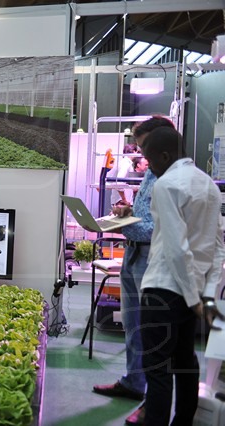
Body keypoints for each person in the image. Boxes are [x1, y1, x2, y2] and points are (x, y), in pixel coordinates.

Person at [136, 126, 225, 426]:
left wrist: (192, 298)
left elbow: (176, 249)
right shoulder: (209, 185)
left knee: (158, 370)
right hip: (193, 293)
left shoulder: (166, 185)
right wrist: (205, 296)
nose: (150, 168)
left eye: (150, 161)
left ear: (165, 156)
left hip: (163, 289)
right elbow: (218, 248)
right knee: (185, 363)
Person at [92, 116, 176, 425]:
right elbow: (148, 215)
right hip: (133, 254)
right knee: (133, 324)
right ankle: (133, 382)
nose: (141, 154)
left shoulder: (174, 177)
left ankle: (151, 401)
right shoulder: (153, 172)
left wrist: (125, 227)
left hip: (152, 258)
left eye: (144, 148)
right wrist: (128, 211)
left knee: (151, 331)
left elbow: (162, 229)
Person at [106, 143, 138, 207]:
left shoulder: (123, 162)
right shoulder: (126, 164)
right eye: (137, 152)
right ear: (133, 151)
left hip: (121, 202)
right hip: (121, 203)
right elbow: (119, 182)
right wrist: (124, 200)